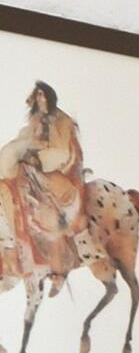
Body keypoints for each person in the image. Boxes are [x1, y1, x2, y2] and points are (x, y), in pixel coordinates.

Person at [3, 81, 86, 271]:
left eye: (43, 95)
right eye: (37, 95)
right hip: (34, 154)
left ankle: (57, 264)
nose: (40, 99)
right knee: (10, 154)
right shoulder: (36, 119)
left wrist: (39, 157)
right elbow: (26, 137)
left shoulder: (62, 120)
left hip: (54, 161)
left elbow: (62, 150)